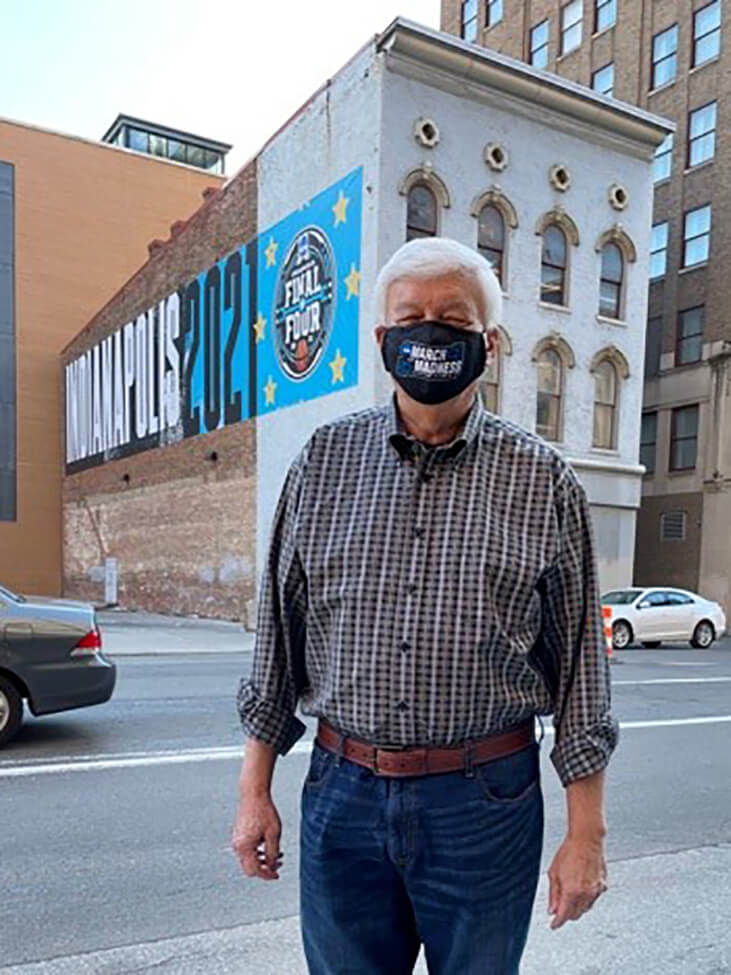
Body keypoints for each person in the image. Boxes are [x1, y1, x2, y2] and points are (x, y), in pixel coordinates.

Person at [232, 236, 618, 975]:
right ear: (382, 339)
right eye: (410, 316)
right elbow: (276, 644)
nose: (429, 332)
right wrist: (254, 793)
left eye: (452, 317)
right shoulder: (322, 463)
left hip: (485, 804)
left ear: (489, 342)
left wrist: (586, 835)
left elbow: (579, 673)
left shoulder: (544, 481)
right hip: (340, 797)